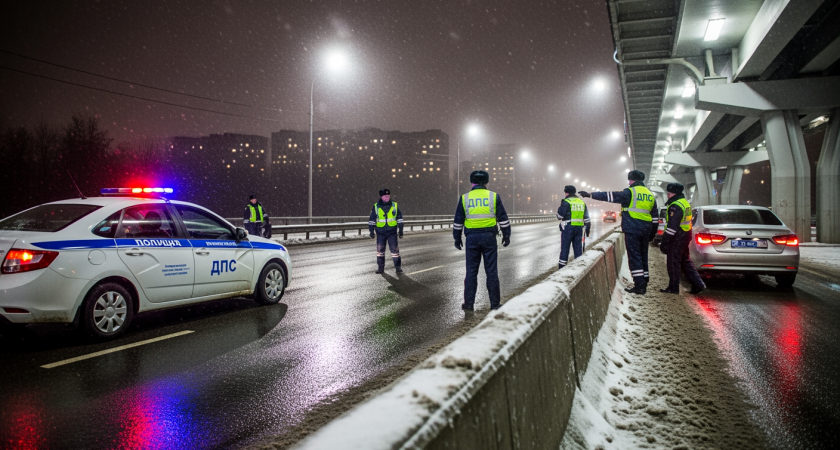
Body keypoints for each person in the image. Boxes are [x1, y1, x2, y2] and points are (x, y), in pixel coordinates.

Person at [579, 170, 657, 294]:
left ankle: (639, 286)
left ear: (631, 180)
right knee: (643, 256)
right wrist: (652, 233)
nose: (629, 182)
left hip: (633, 228)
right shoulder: (650, 194)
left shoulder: (630, 192)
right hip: (646, 229)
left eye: (629, 180)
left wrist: (590, 195)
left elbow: (610, 196)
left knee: (635, 257)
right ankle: (644, 280)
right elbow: (655, 217)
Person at [453, 170, 511, 311]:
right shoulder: (493, 197)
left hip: (471, 238)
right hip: (489, 237)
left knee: (471, 272)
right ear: (486, 182)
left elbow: (458, 221)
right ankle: (495, 304)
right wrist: (506, 235)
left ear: (472, 182)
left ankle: (469, 304)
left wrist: (457, 238)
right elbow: (503, 218)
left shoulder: (464, 198)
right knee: (491, 271)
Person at [659, 183, 705, 294]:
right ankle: (698, 284)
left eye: (669, 193)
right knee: (685, 261)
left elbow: (672, 227)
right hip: (685, 234)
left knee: (673, 262)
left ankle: (673, 287)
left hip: (677, 237)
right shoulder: (684, 202)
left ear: (674, 193)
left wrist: (665, 241)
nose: (668, 194)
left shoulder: (675, 206)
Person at [368, 188, 404, 274]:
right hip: (381, 233)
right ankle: (381, 268)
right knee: (380, 251)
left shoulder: (394, 205)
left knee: (395, 251)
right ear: (381, 197)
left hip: (392, 232)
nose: (387, 197)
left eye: (388, 195)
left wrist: (401, 230)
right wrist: (371, 231)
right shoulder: (376, 206)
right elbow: (372, 219)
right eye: (385, 196)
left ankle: (398, 267)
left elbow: (400, 218)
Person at [556, 185, 591, 269]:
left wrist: (560, 209)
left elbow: (560, 216)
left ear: (566, 193)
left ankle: (562, 269)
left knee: (565, 250)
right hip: (579, 229)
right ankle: (578, 268)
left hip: (567, 228)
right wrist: (587, 229)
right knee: (578, 250)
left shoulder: (566, 202)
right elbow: (587, 219)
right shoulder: (581, 202)